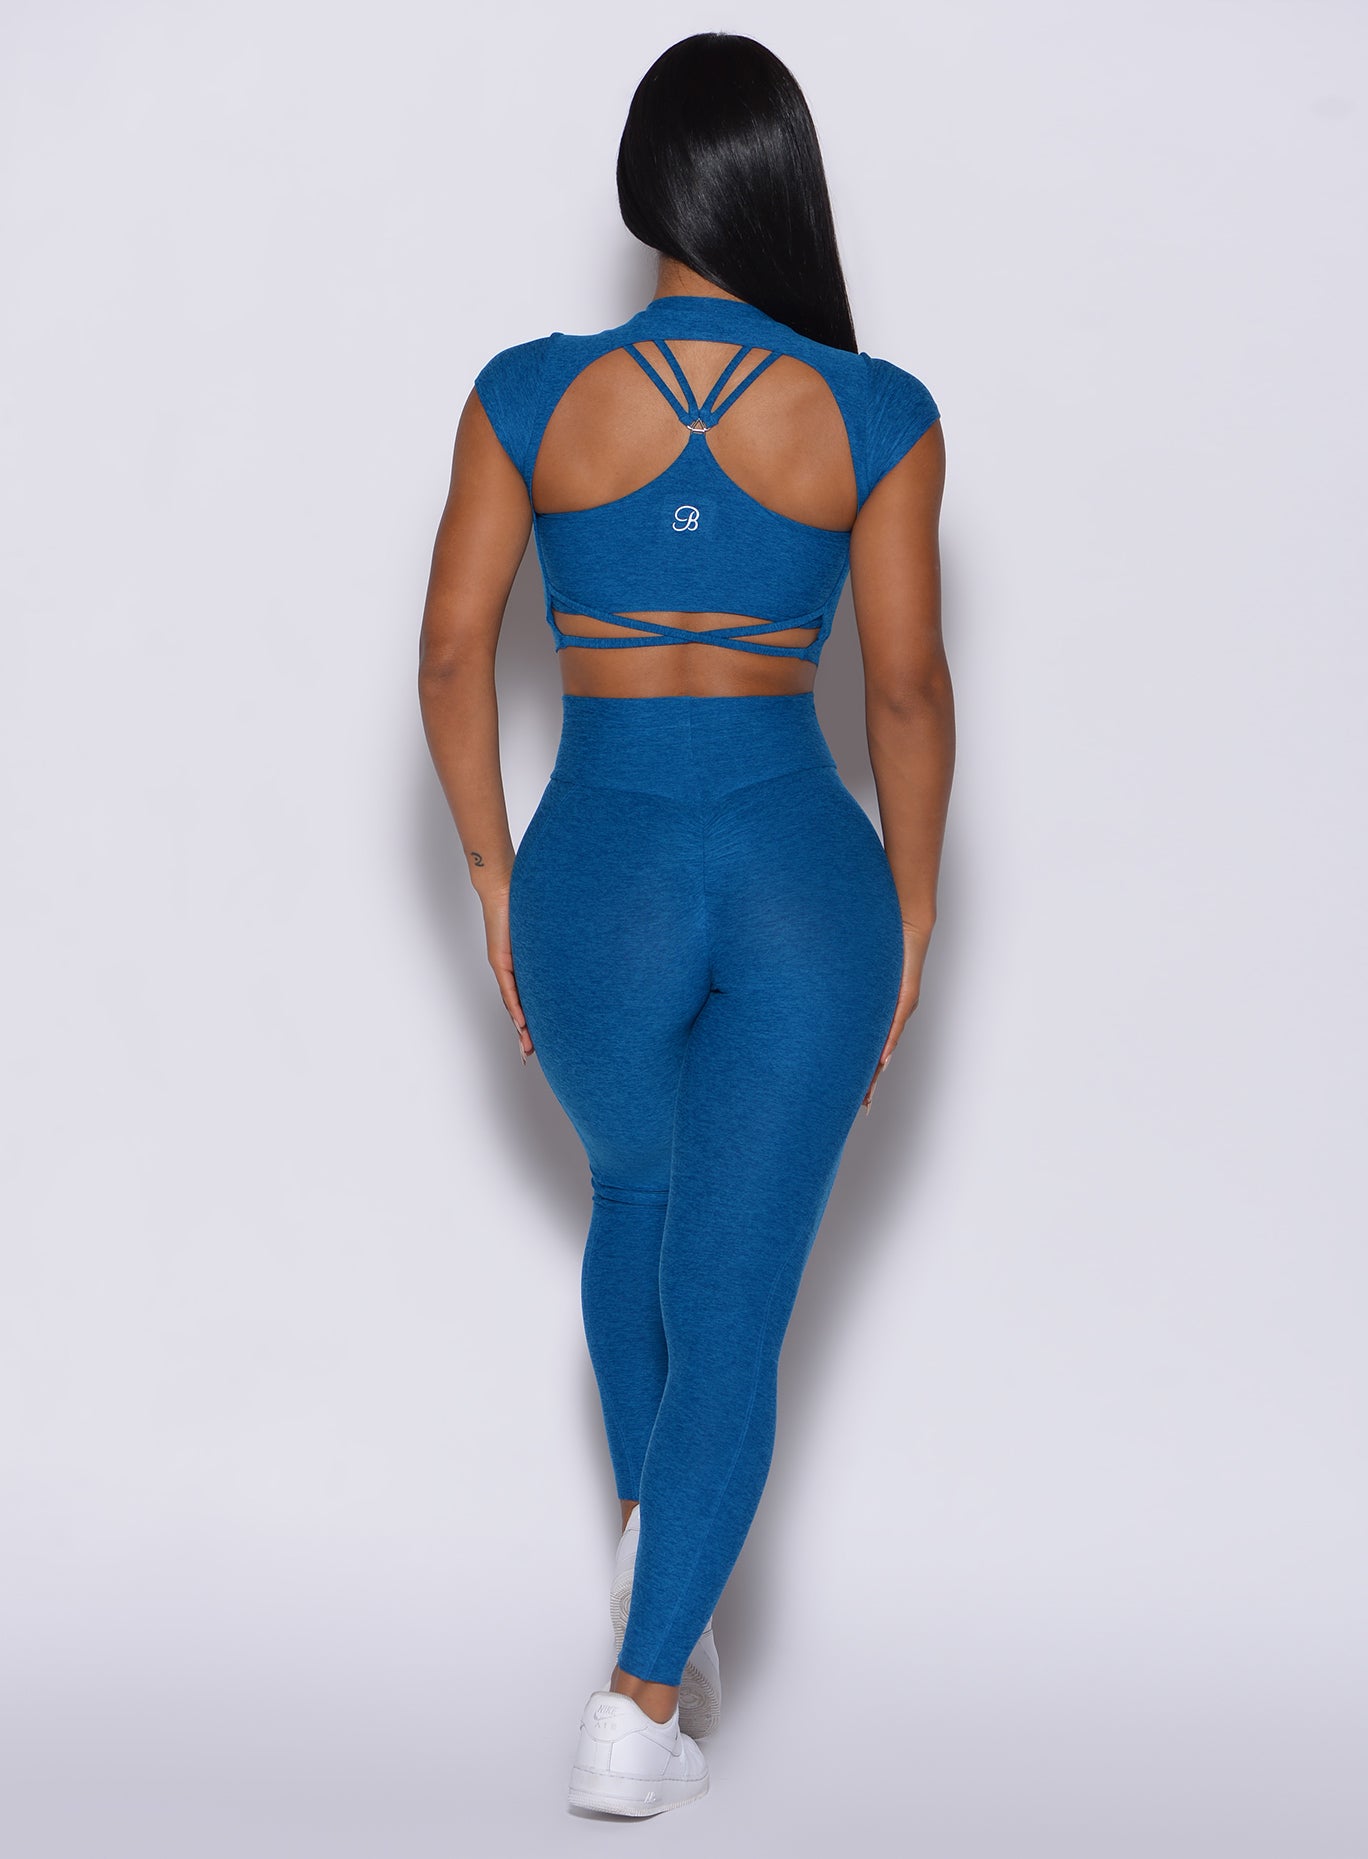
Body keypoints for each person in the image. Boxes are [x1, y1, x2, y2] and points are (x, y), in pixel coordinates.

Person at [418, 30, 953, 1817]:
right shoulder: (875, 411)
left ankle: (663, 1585)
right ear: (782, 180)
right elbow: (904, 694)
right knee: (733, 1294)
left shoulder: (526, 394)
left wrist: (492, 874)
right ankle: (641, 1703)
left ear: (643, 185)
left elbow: (450, 656)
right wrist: (916, 903)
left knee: (638, 1204)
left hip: (596, 873)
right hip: (804, 882)